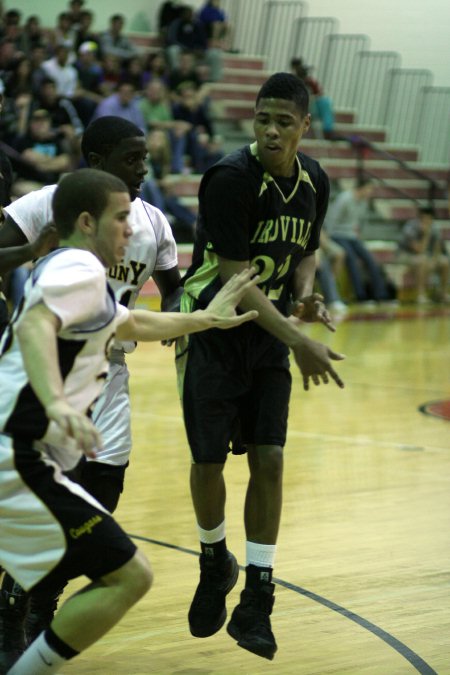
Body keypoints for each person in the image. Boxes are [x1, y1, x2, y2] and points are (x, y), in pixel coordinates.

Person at [0, 167, 259, 674]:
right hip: (19, 454)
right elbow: (35, 324)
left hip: (22, 455)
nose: (131, 229)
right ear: (86, 222)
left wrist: (209, 317)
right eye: (120, 218)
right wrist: (53, 401)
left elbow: (133, 321)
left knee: (112, 569)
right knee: (128, 576)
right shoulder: (79, 267)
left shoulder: (82, 279)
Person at [175, 72, 345, 660]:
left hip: (268, 335)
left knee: (271, 458)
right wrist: (298, 338)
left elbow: (308, 248)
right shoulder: (229, 178)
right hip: (216, 329)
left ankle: (258, 599)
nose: (271, 131)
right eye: (262, 119)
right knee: (207, 461)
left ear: (303, 126)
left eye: (283, 121)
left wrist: (304, 293)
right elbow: (234, 282)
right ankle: (211, 558)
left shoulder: (314, 178)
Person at [0, 115, 181, 662]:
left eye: (146, 157)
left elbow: (171, 288)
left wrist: (187, 317)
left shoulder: (151, 222)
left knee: (99, 500)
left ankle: (41, 606)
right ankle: (13, 610)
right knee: (48, 500)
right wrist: (33, 254)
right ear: (96, 161)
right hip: (51, 370)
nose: (143, 167)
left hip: (110, 378)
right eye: (131, 158)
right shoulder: (48, 203)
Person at [324, 178, 390, 303]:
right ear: (362, 188)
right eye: (370, 189)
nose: (371, 192)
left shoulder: (364, 203)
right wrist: (328, 239)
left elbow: (358, 223)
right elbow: (331, 219)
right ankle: (361, 296)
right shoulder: (344, 199)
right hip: (338, 234)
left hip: (352, 236)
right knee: (352, 260)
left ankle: (381, 295)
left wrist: (358, 236)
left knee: (370, 260)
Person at [397, 206, 449, 303]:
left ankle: (442, 293)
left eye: (429, 219)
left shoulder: (435, 227)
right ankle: (420, 295)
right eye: (424, 218)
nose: (427, 221)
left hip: (427, 256)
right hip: (406, 255)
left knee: (445, 262)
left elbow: (438, 248)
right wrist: (426, 234)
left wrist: (434, 260)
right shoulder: (410, 227)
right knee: (422, 260)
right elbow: (419, 250)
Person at [290, 57, 336, 140]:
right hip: (300, 107)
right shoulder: (290, 80)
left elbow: (318, 93)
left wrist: (307, 83)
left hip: (312, 106)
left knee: (325, 102)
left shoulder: (309, 81)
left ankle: (328, 130)